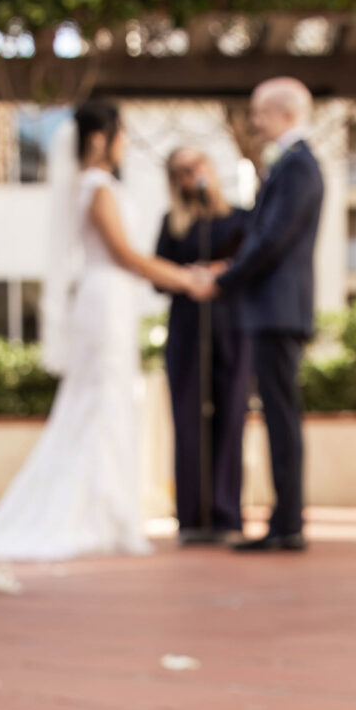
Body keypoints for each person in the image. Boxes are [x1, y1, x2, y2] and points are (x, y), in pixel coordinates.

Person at [0, 100, 198, 560]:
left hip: (112, 299)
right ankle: (96, 514)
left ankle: (108, 513)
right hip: (104, 300)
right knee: (100, 402)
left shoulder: (96, 186)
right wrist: (186, 279)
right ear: (101, 138)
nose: (126, 142)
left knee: (109, 402)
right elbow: (125, 254)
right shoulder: (97, 187)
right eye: (122, 133)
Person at [193, 78, 324, 554]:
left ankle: (287, 524)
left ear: (285, 114)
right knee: (278, 417)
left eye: (260, 112)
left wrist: (222, 280)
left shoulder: (297, 166)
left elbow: (271, 240)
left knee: (282, 418)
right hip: (274, 310)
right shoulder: (290, 165)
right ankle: (284, 521)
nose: (253, 121)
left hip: (277, 311)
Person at [156, 146, 250, 542]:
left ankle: (226, 515)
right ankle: (192, 518)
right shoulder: (173, 225)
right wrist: (187, 278)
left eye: (198, 164)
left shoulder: (241, 219)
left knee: (231, 417)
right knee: (188, 419)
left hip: (232, 326)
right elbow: (158, 276)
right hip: (188, 327)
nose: (193, 173)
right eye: (183, 170)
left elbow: (252, 264)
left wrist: (217, 272)